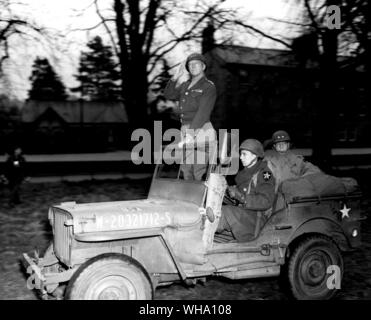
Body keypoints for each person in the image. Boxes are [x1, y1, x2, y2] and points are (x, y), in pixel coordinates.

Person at [164, 53, 217, 180]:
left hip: (201, 129)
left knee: (198, 171)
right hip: (186, 129)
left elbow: (203, 112)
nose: (192, 67)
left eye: (196, 64)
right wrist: (175, 77)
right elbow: (169, 94)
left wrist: (191, 133)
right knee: (186, 170)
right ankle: (188, 199)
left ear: (203, 66)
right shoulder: (185, 85)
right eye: (190, 65)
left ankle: (201, 199)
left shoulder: (208, 86)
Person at [217, 139, 276, 242]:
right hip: (245, 212)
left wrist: (242, 197)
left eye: (244, 154)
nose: (240, 157)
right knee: (217, 208)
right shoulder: (244, 173)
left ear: (254, 156)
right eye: (241, 154)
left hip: (257, 217)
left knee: (225, 212)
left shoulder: (264, 174)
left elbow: (266, 201)